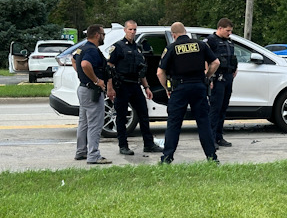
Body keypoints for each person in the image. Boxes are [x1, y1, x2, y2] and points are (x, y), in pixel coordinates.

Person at [156, 22, 220, 164]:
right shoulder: (200, 45)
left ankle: (167, 158)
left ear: (173, 35)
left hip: (180, 89)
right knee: (204, 122)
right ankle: (212, 158)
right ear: (185, 32)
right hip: (199, 87)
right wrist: (207, 76)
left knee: (174, 124)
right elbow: (215, 62)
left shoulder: (171, 48)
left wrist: (167, 88)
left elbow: (160, 72)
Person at [106, 20, 163, 155]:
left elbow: (141, 70)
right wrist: (110, 88)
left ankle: (148, 144)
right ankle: (123, 146)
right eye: (130, 29)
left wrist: (147, 87)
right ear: (125, 30)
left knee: (143, 114)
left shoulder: (137, 48)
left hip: (135, 84)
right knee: (121, 116)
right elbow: (109, 68)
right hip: (122, 85)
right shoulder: (118, 47)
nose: (132, 32)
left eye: (134, 30)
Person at [73, 25, 111, 164]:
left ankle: (81, 152)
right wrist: (96, 80)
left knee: (83, 123)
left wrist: (83, 76)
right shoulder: (92, 50)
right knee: (95, 124)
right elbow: (84, 64)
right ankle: (93, 155)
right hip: (91, 91)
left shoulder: (82, 48)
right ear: (97, 35)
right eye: (103, 34)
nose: (104, 37)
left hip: (83, 89)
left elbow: (74, 59)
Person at [205, 18, 238, 149]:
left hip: (228, 77)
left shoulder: (229, 42)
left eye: (230, 31)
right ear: (220, 28)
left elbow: (232, 57)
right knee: (215, 109)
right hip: (217, 78)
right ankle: (211, 139)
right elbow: (206, 60)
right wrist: (209, 77)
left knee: (223, 108)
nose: (229, 33)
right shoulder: (211, 41)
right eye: (227, 31)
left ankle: (219, 136)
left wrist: (235, 69)